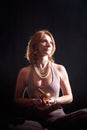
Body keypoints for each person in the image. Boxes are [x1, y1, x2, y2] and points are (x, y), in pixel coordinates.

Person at [13, 30, 87, 130]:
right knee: (15, 125)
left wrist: (54, 100)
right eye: (44, 41)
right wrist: (33, 101)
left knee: (85, 113)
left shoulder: (60, 69)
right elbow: (17, 99)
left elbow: (69, 97)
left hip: (57, 119)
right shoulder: (24, 72)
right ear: (35, 47)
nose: (49, 45)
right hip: (34, 120)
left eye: (51, 42)